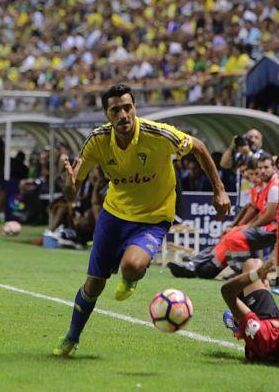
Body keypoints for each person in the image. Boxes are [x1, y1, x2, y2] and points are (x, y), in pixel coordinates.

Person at [53, 83, 230, 356]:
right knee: (94, 285)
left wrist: (219, 190)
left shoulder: (158, 134)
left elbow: (199, 146)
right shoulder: (97, 141)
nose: (123, 115)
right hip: (113, 215)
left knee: (132, 266)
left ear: (134, 108)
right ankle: (72, 337)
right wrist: (67, 184)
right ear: (106, 114)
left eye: (128, 107)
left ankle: (131, 277)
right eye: (116, 110)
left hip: (154, 217)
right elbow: (72, 189)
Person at [168, 154, 279, 279]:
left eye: (264, 168)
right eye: (243, 172)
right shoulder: (261, 186)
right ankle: (197, 264)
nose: (247, 176)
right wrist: (236, 225)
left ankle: (242, 273)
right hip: (263, 227)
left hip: (272, 229)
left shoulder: (271, 186)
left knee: (234, 237)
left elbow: (264, 213)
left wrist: (244, 226)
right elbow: (252, 208)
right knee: (228, 237)